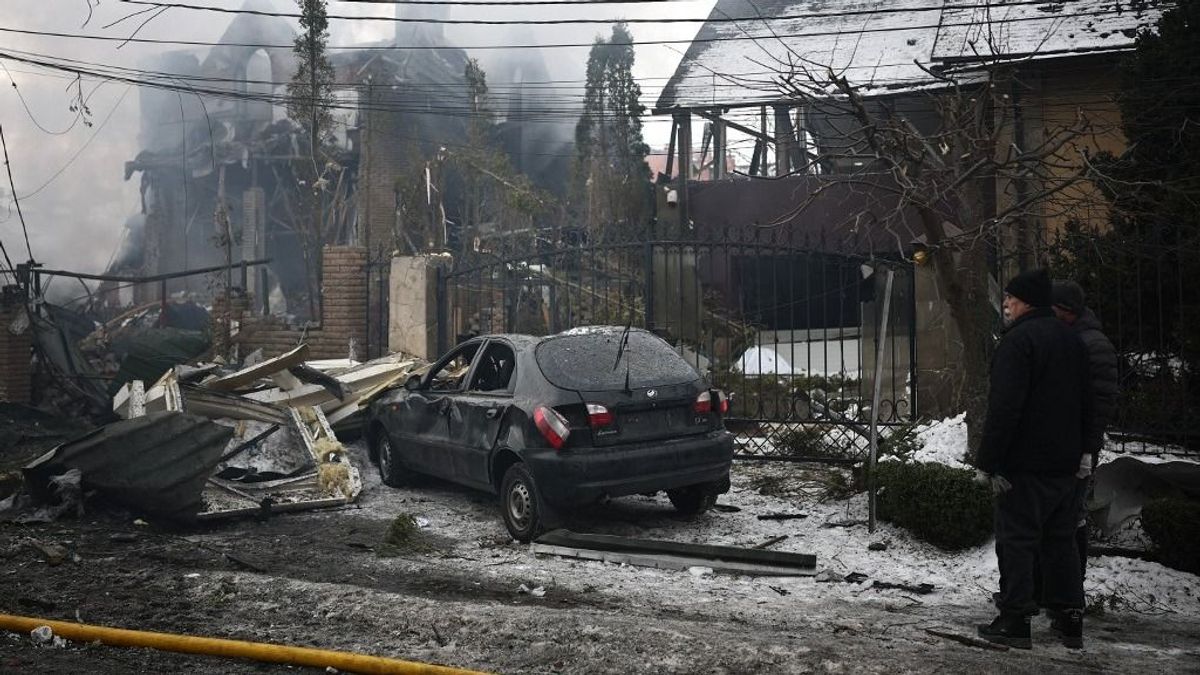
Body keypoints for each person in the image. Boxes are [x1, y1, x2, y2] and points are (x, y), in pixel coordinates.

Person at [975, 268, 1091, 650]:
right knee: (1061, 540)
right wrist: (1086, 451)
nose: (1005, 303)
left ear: (1024, 301)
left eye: (1009, 297)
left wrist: (988, 462)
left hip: (1024, 464)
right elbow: (1088, 405)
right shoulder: (1072, 341)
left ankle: (1015, 618)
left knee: (1017, 539)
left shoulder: (1018, 342)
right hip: (1065, 464)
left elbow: (1005, 408)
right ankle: (1070, 617)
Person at [1051, 280, 1119, 581]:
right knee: (1064, 516)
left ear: (1065, 311)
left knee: (1071, 516)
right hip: (1070, 443)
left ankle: (1070, 590)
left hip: (1078, 446)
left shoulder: (1089, 344)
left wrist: (1088, 450)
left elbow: (1099, 404)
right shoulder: (1076, 338)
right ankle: (1062, 590)